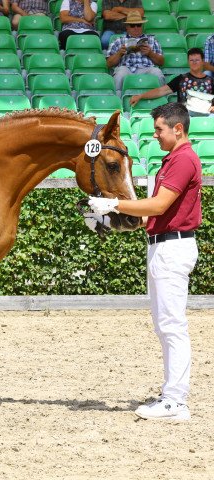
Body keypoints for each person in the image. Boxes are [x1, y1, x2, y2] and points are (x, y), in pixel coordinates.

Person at [87, 103, 201, 421]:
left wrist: (113, 203)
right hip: (163, 246)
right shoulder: (174, 159)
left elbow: (159, 204)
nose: (155, 135)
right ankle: (171, 394)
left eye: (159, 129)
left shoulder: (181, 160)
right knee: (165, 326)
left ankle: (176, 401)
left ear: (178, 129)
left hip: (171, 247)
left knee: (171, 326)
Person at [130, 48, 214, 113]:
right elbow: (161, 91)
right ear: (188, 62)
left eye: (197, 60)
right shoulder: (181, 79)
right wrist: (141, 96)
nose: (194, 62)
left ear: (203, 61)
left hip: (206, 115)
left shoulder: (211, 81)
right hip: (184, 116)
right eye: (191, 60)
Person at [106, 11, 165, 92]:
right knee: (119, 75)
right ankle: (117, 101)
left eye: (139, 25)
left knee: (157, 73)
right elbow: (109, 64)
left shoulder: (152, 39)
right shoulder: (118, 41)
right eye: (132, 25)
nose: (136, 28)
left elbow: (161, 62)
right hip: (126, 68)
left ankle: (163, 100)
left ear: (142, 26)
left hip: (146, 68)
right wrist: (119, 54)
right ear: (127, 27)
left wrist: (150, 54)